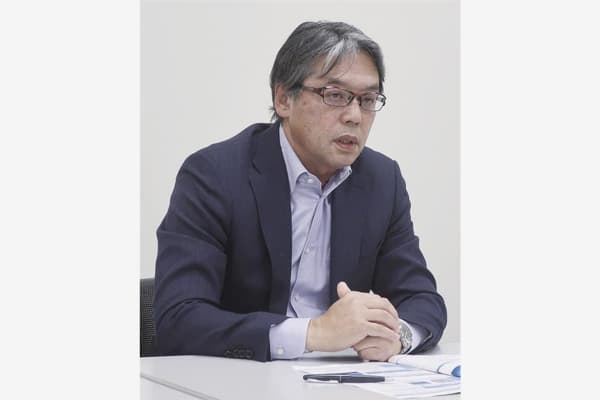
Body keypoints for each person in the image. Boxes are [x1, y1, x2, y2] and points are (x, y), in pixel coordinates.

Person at [153, 21, 447, 362]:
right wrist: (313, 334)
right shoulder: (215, 175)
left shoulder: (381, 180)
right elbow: (179, 319)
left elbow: (422, 299)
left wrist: (397, 337)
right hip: (240, 377)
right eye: (335, 95)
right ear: (283, 100)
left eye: (368, 100)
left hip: (339, 379)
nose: (355, 116)